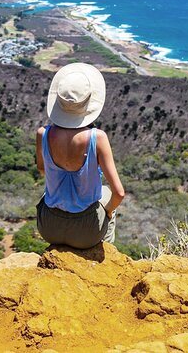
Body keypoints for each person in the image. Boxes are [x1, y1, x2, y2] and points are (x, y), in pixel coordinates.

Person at [35, 62, 125, 249]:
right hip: (87, 232)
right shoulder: (97, 138)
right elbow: (119, 193)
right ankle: (104, 252)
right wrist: (106, 213)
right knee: (106, 192)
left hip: (49, 227)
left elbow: (42, 170)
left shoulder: (43, 134)